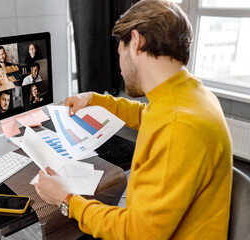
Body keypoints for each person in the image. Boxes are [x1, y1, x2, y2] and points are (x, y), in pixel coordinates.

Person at [34, 1, 232, 239]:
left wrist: (66, 200)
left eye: (120, 53)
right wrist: (94, 99)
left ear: (136, 41)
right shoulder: (190, 95)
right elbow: (145, 114)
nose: (120, 67)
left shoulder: (179, 126)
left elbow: (138, 233)